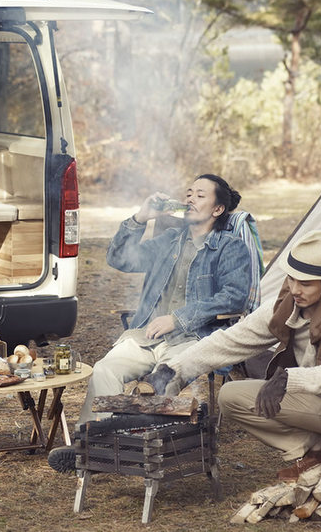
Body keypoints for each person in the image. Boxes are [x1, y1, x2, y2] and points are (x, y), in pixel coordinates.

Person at [143, 230, 321, 481]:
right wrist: (173, 368)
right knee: (231, 396)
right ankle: (317, 451)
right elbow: (229, 341)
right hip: (317, 405)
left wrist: (287, 379)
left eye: (305, 283)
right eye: (291, 279)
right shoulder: (285, 305)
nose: (295, 289)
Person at [47, 174, 252, 473]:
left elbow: (234, 298)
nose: (190, 199)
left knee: (162, 381)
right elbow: (120, 259)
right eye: (189, 193)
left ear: (218, 209)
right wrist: (140, 218)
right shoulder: (169, 242)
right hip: (146, 335)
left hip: (193, 339)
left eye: (200, 195)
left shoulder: (229, 247)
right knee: (105, 369)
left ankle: (129, 448)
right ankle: (94, 449)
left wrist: (178, 318)